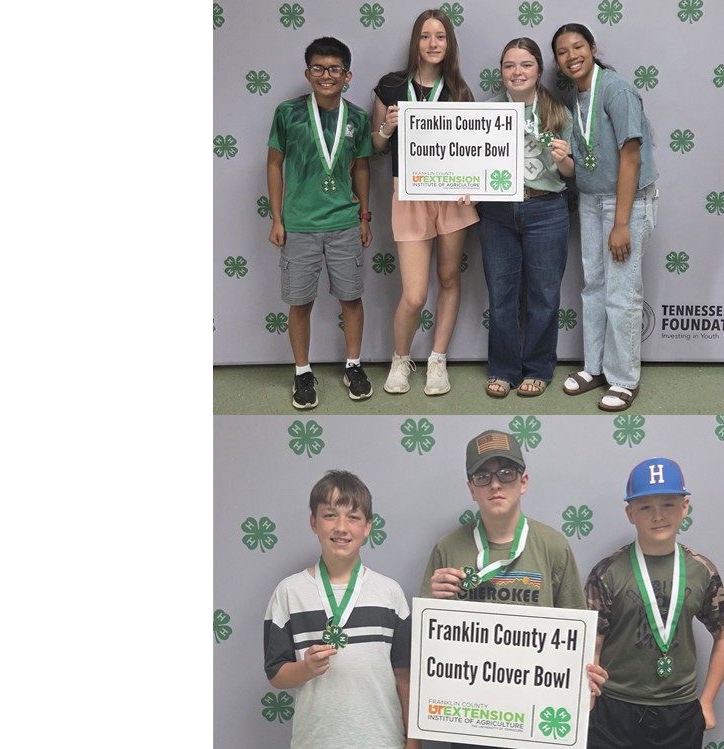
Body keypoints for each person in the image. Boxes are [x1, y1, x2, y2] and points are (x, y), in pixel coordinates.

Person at [421, 429, 608, 749]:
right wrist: (433, 603)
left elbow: (578, 631)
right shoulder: (448, 548)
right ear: (471, 489)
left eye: (506, 473)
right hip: (470, 714)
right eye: (483, 476)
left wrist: (586, 676)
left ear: (523, 481)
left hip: (535, 714)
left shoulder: (552, 546)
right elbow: (428, 642)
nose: (495, 484)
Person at [583, 458, 724, 749]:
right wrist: (588, 697)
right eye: (645, 507)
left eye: (668, 504)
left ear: (685, 507)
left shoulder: (700, 570)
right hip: (615, 707)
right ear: (630, 513)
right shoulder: (608, 571)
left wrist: (706, 701)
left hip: (679, 710)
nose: (658, 516)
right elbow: (593, 643)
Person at [263, 470, 418, 749]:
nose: (341, 527)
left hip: (383, 741)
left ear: (368, 526)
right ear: (314, 522)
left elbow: (404, 675)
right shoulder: (289, 592)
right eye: (330, 515)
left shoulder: (390, 593)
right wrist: (306, 668)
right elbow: (276, 674)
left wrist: (413, 741)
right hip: (316, 741)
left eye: (354, 517)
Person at [551, 23, 660, 412]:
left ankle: (624, 379)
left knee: (621, 292)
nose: (571, 56)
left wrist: (621, 223)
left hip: (623, 205)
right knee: (594, 286)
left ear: (593, 48)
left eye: (578, 46)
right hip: (592, 201)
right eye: (562, 52)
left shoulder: (616, 90)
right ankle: (594, 367)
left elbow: (631, 156)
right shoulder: (576, 98)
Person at [372, 8, 479, 397]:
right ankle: (401, 359)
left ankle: (438, 359)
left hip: (452, 195)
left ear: (449, 44)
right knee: (414, 293)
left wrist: (474, 183)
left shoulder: (460, 91)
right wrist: (388, 127)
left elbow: (471, 153)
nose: (433, 44)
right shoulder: (390, 86)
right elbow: (376, 145)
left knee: (449, 278)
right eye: (425, 36)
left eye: (440, 37)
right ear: (415, 41)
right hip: (411, 194)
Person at [267, 37, 374, 411]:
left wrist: (363, 216)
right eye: (318, 68)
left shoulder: (358, 118)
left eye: (334, 69)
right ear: (307, 72)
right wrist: (277, 219)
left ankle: (354, 365)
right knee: (300, 302)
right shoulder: (288, 113)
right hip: (298, 225)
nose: (326, 75)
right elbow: (274, 164)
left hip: (344, 222)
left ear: (348, 75)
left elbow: (362, 166)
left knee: (352, 298)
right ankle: (302, 371)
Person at [477, 38, 575, 399]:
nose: (517, 72)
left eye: (525, 65)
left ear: (538, 70)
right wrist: (465, 183)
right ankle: (502, 369)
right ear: (501, 71)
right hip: (498, 212)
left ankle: (537, 368)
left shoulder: (558, 112)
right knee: (501, 295)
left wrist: (564, 157)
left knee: (544, 295)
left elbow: (568, 173)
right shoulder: (485, 112)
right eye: (509, 65)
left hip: (546, 210)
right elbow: (472, 163)